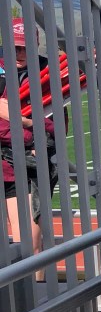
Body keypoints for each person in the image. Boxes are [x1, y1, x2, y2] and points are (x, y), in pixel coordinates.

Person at [1, 18, 57, 259]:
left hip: (24, 166)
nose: (20, 53)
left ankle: (35, 285)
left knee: (29, 244)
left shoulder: (48, 74)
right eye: (15, 47)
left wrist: (25, 122)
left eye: (25, 47)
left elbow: (56, 126)